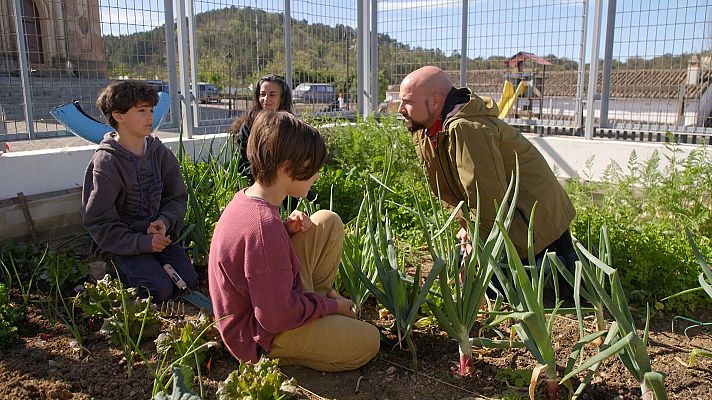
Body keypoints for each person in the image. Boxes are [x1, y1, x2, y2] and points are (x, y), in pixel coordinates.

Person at [209, 110, 379, 372]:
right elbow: (275, 316)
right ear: (287, 168)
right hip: (262, 334)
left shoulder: (250, 202)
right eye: (312, 169)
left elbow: (257, 259)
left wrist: (285, 230)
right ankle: (279, 357)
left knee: (327, 221)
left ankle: (314, 308)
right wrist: (332, 306)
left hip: (267, 307)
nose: (317, 176)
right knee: (369, 340)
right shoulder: (263, 227)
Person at [398, 65, 576, 265]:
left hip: (536, 228)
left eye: (407, 102)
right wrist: (467, 227)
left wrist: (477, 241)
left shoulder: (468, 129)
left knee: (527, 292)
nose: (400, 109)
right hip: (506, 222)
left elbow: (487, 196)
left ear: (435, 101)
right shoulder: (429, 128)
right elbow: (455, 186)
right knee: (464, 274)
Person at [81, 80, 198, 303]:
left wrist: (164, 221)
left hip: (157, 237)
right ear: (119, 116)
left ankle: (151, 265)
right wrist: (141, 243)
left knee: (188, 281)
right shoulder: (106, 162)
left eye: (151, 110)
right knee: (158, 290)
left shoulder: (159, 152)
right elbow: (99, 223)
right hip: (121, 244)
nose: (150, 117)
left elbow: (176, 197)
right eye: (141, 110)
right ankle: (111, 267)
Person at [228, 74, 294, 183]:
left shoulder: (291, 126)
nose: (265, 99)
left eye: (272, 95)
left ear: (282, 99)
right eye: (262, 94)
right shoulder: (249, 125)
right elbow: (243, 163)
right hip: (258, 182)